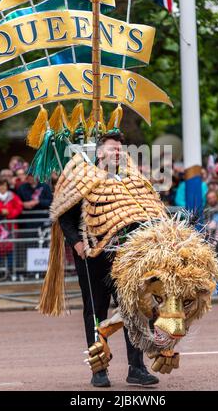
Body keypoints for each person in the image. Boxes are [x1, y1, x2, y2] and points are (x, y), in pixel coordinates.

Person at [56, 132, 160, 388]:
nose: (118, 153)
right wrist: (78, 244)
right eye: (113, 149)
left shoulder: (129, 181)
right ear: (100, 153)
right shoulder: (83, 179)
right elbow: (65, 217)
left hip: (125, 258)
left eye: (120, 149)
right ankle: (99, 369)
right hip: (93, 257)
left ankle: (137, 368)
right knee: (96, 310)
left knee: (132, 310)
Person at [0, 179, 23, 280]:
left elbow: (19, 207)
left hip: (9, 227)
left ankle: (10, 271)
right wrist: (0, 211)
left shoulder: (13, 196)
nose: (3, 188)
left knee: (9, 248)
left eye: (4, 185)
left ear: (7, 187)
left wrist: (8, 212)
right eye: (1, 186)